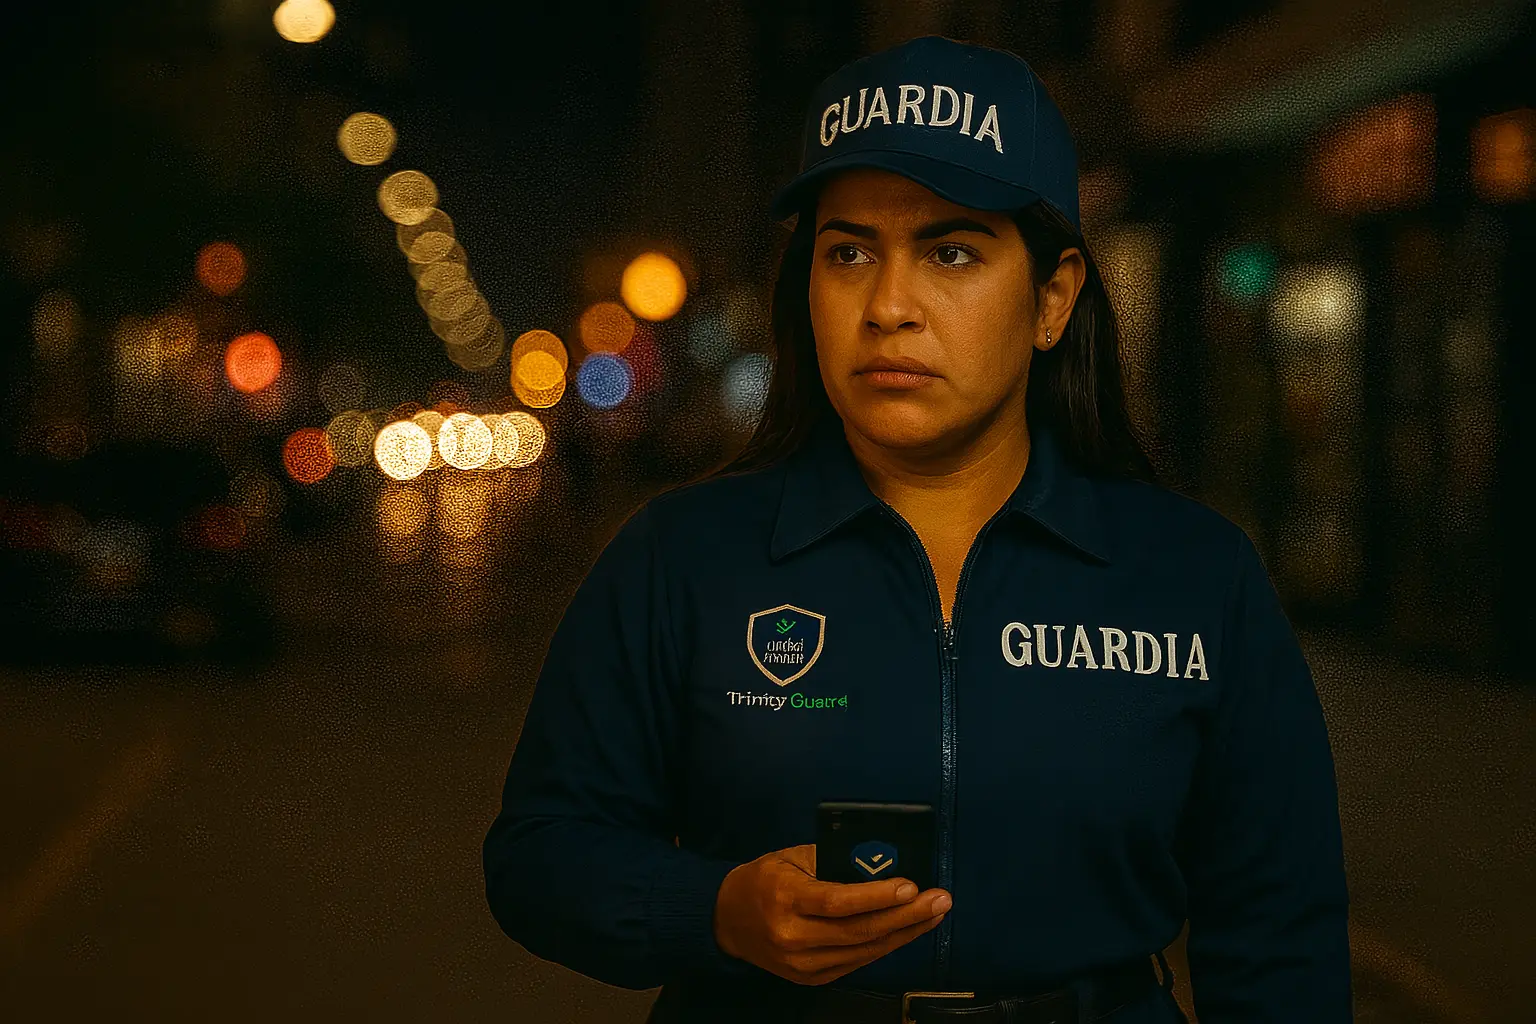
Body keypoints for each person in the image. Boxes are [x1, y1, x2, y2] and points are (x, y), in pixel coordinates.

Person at [483, 34, 1352, 1024]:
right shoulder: (684, 558)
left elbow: (1283, 933)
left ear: (1053, 297)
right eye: (848, 252)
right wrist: (715, 908)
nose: (890, 306)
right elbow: (540, 854)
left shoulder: (1191, 576)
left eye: (951, 251)